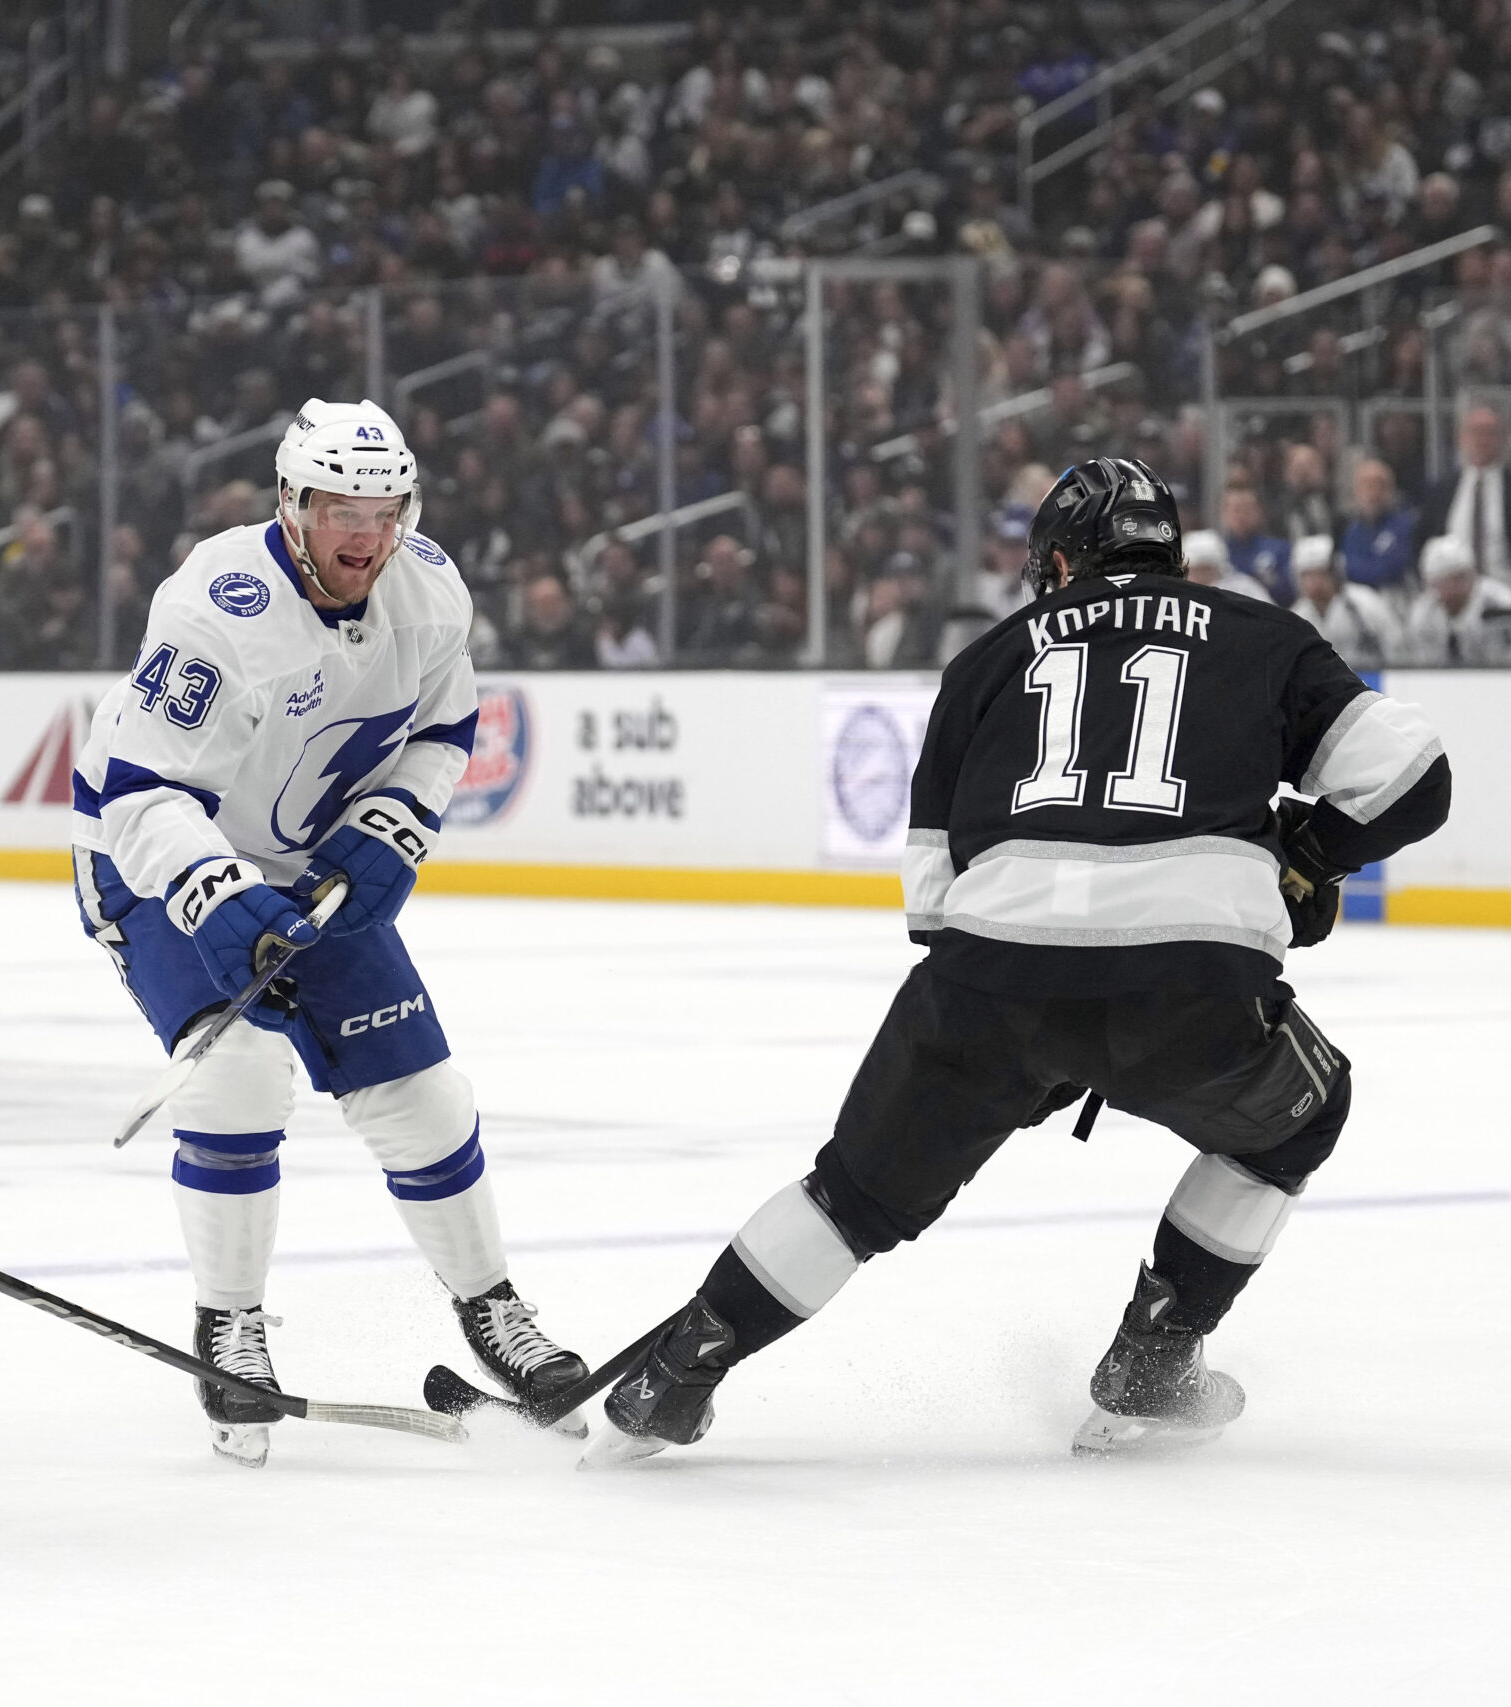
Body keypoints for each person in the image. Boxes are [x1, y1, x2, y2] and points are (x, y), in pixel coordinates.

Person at [587, 458, 1451, 1465]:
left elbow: (929, 903)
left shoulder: (987, 658)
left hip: (986, 984)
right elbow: (1413, 777)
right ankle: (1152, 1364)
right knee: (1297, 1119)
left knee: (852, 1199)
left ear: (1056, 561)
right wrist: (1304, 856)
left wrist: (1027, 1048)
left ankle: (678, 1369)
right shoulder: (1260, 634)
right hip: (1192, 986)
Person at [69, 398, 586, 1466]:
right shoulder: (218, 604)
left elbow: (444, 731)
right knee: (239, 1077)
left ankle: (492, 1309)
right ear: (291, 505)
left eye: (384, 505)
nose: (366, 529)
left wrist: (392, 826)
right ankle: (231, 1328)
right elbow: (138, 791)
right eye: (339, 505)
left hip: (305, 861)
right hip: (155, 857)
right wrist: (216, 891)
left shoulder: (431, 591)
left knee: (423, 1097)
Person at [1419, 404, 1509, 584]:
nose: (1482, 440)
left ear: (1503, 439)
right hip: (1454, 595)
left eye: (1490, 432)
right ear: (1462, 438)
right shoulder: (1443, 489)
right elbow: (1425, 538)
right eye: (1476, 432)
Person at [1289, 534, 1403, 671]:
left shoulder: (1364, 602)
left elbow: (1395, 644)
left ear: (1334, 572)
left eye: (1320, 573)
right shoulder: (1297, 616)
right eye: (1307, 575)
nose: (1314, 582)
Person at [1403, 534, 1511, 665]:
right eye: (1438, 582)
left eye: (1457, 578)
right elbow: (1425, 666)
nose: (1449, 588)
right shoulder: (1424, 613)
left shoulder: (1502, 606)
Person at [1338, 455, 1418, 598]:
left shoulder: (1403, 525)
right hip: (1358, 601)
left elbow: (1387, 570)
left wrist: (1360, 569)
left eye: (1380, 485)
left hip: (1395, 600)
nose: (1373, 493)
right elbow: (1344, 569)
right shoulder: (1352, 530)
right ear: (1356, 491)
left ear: (1391, 490)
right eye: (1366, 486)